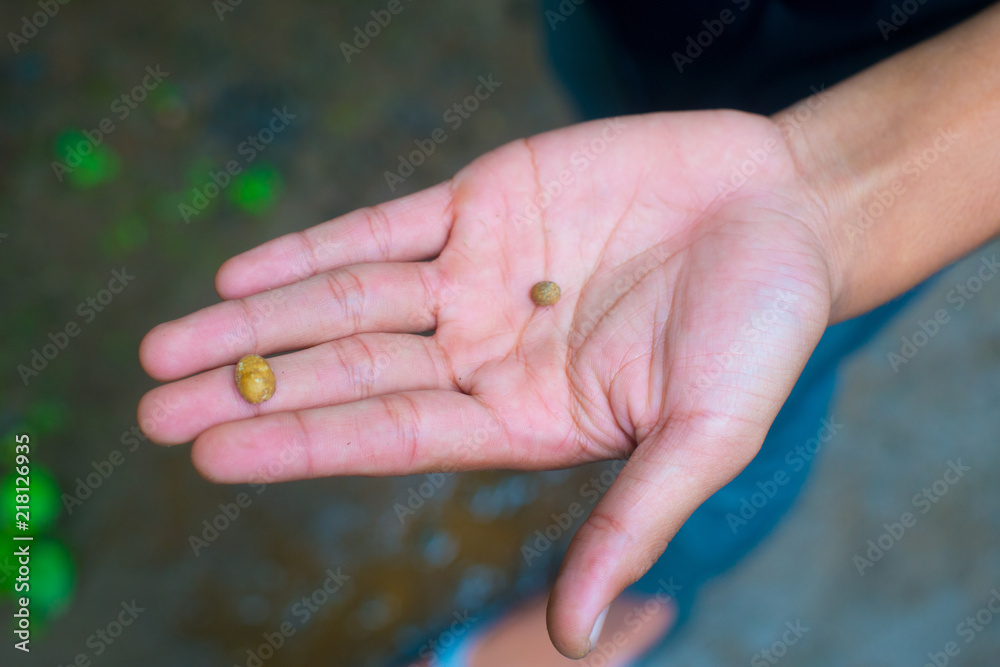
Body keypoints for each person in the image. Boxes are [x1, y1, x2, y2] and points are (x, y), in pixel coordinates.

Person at [138, 0, 1000, 663]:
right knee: (611, 93)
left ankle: (646, 596)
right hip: (642, 25)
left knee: (755, 373)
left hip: (913, 95)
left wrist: (822, 193)